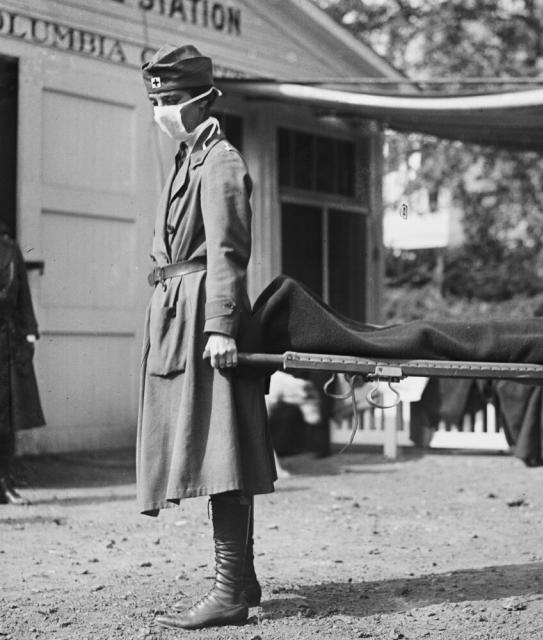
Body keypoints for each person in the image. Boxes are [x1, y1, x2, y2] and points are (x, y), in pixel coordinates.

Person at [137, 44, 276, 629]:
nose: (162, 110)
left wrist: (221, 326)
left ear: (200, 101)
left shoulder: (219, 160)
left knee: (223, 452)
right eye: (156, 101)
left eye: (169, 100)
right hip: (178, 314)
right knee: (212, 448)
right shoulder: (186, 158)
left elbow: (227, 251)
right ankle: (240, 580)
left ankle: (228, 593)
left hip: (203, 320)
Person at [0, 222, 44, 506]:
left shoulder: (9, 249)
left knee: (5, 418)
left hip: (5, 342)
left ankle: (4, 482)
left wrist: (29, 334)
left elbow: (23, 299)